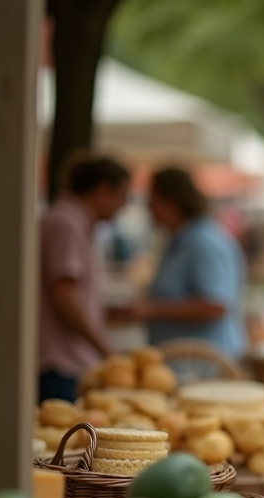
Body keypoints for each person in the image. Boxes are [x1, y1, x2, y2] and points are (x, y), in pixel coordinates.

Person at [118, 167, 247, 361]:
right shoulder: (180, 241)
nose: (149, 206)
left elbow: (215, 305)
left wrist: (152, 308)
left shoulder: (204, 242)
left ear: (171, 201)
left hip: (205, 368)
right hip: (187, 364)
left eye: (152, 198)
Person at [38, 154, 130, 403]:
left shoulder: (71, 221)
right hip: (61, 364)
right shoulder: (67, 223)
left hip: (64, 363)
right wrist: (106, 349)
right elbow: (64, 295)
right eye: (122, 196)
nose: (123, 205)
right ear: (103, 191)